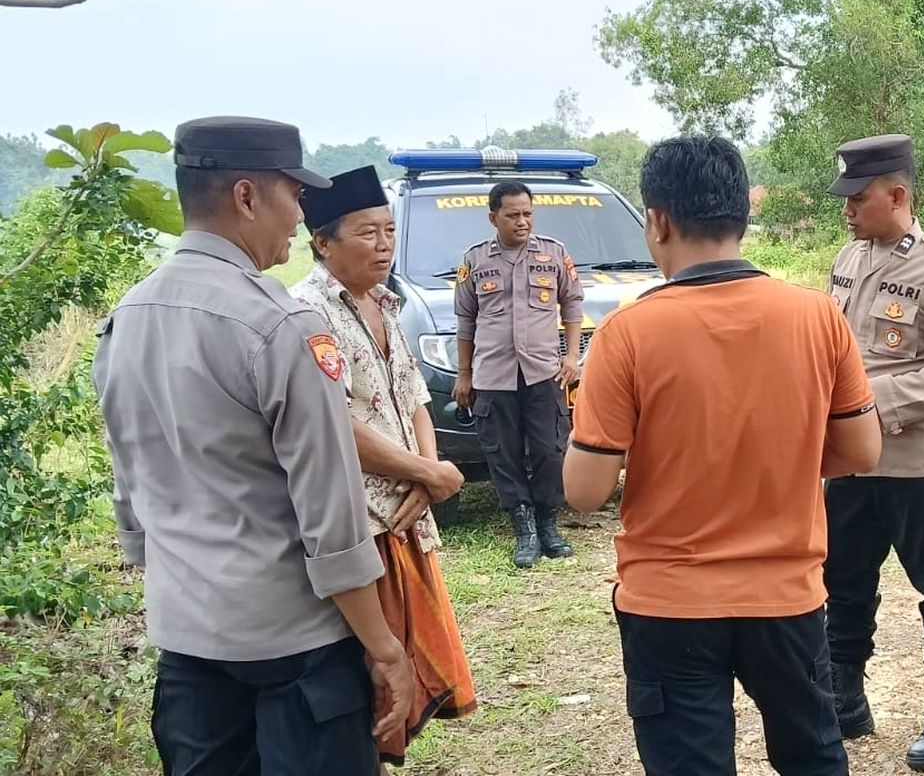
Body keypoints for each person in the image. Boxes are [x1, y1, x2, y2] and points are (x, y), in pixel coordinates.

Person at [92, 117, 413, 775]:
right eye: (293, 196)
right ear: (246, 196)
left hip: (188, 642)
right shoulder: (280, 326)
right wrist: (383, 649)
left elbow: (130, 487)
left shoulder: (126, 319)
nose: (299, 216)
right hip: (296, 649)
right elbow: (330, 518)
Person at [563, 135, 882, 776]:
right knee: (813, 756)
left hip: (670, 602)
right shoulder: (818, 317)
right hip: (787, 598)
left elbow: (585, 490)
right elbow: (862, 451)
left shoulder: (626, 333)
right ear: (741, 214)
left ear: (657, 222)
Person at [290, 165, 477, 771]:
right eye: (367, 233)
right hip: (362, 523)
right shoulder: (306, 313)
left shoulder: (385, 301)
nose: (383, 245)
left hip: (405, 510)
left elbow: (412, 394)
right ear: (323, 242)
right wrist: (426, 473)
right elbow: (334, 421)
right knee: (368, 669)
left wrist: (428, 466)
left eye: (389, 231)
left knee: (408, 665)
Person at [823, 134, 924, 771]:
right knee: (844, 580)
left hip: (919, 465)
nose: (847, 209)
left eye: (858, 198)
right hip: (853, 465)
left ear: (897, 195)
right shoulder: (848, 258)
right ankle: (846, 693)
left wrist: (870, 402)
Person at [451, 180, 584, 567]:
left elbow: (572, 305)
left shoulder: (554, 254)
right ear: (493, 217)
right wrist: (464, 374)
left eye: (527, 213)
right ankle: (524, 529)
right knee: (503, 455)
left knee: (549, 450)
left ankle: (547, 524)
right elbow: (465, 320)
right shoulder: (475, 261)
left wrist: (572, 356)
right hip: (492, 376)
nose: (522, 221)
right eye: (512, 215)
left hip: (544, 373)